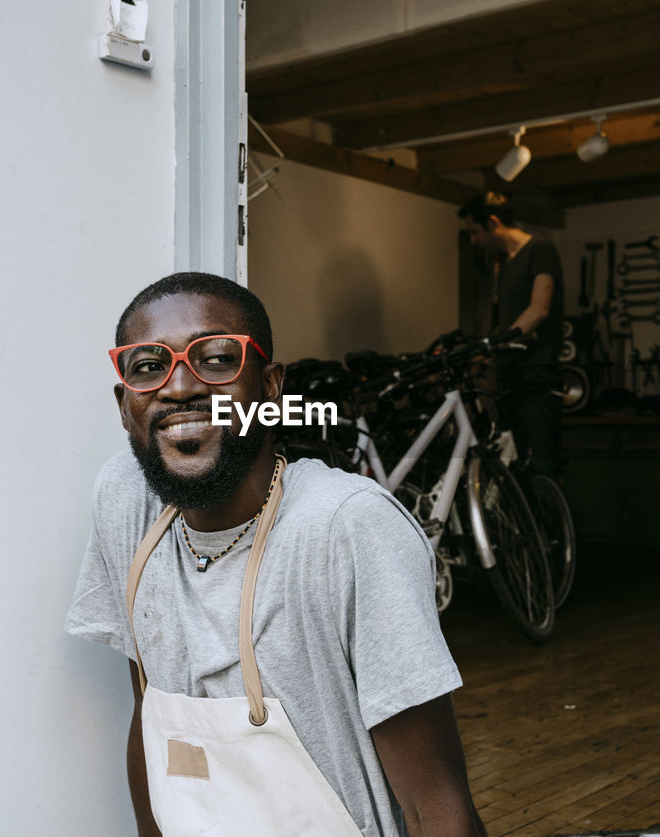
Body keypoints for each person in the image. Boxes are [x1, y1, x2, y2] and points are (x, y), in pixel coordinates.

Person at [64, 272, 485, 837]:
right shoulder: (127, 501)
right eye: (148, 366)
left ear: (269, 388)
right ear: (124, 405)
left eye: (216, 360)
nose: (180, 386)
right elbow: (151, 718)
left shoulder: (345, 527)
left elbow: (436, 809)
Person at [458, 192, 564, 475]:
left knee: (542, 467)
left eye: (474, 232)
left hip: (536, 376)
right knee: (514, 466)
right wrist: (482, 350)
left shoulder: (540, 250)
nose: (473, 240)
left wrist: (494, 343)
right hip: (509, 376)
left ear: (493, 222)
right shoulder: (505, 264)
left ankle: (549, 521)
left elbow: (539, 310)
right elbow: (507, 321)